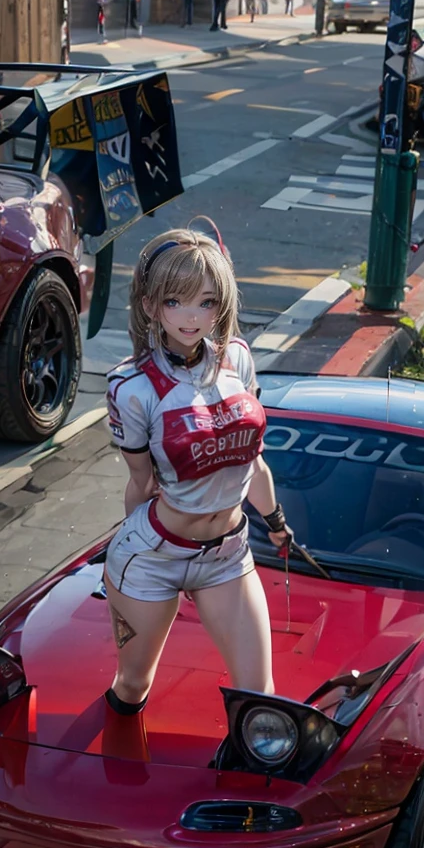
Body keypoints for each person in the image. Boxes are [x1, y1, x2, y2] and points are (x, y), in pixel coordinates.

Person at [103, 227, 292, 751]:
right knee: (133, 685)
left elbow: (254, 463)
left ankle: (249, 819)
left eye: (206, 302)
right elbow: (140, 482)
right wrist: (118, 553)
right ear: (149, 305)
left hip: (229, 554)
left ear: (222, 304)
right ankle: (112, 786)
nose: (191, 316)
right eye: (174, 300)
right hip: (153, 555)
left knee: (262, 698)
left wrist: (275, 523)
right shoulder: (131, 386)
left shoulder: (239, 360)